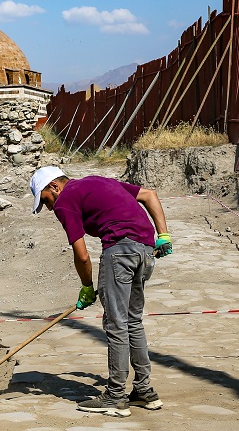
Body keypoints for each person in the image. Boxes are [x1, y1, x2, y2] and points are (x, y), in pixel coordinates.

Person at [30, 165, 173, 417]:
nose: (50, 208)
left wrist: (86, 287)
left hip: (120, 251)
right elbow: (149, 194)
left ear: (54, 187)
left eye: (46, 201)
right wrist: (164, 235)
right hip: (145, 250)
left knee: (116, 324)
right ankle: (143, 390)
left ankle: (115, 397)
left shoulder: (66, 200)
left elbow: (82, 255)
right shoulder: (97, 182)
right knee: (132, 322)